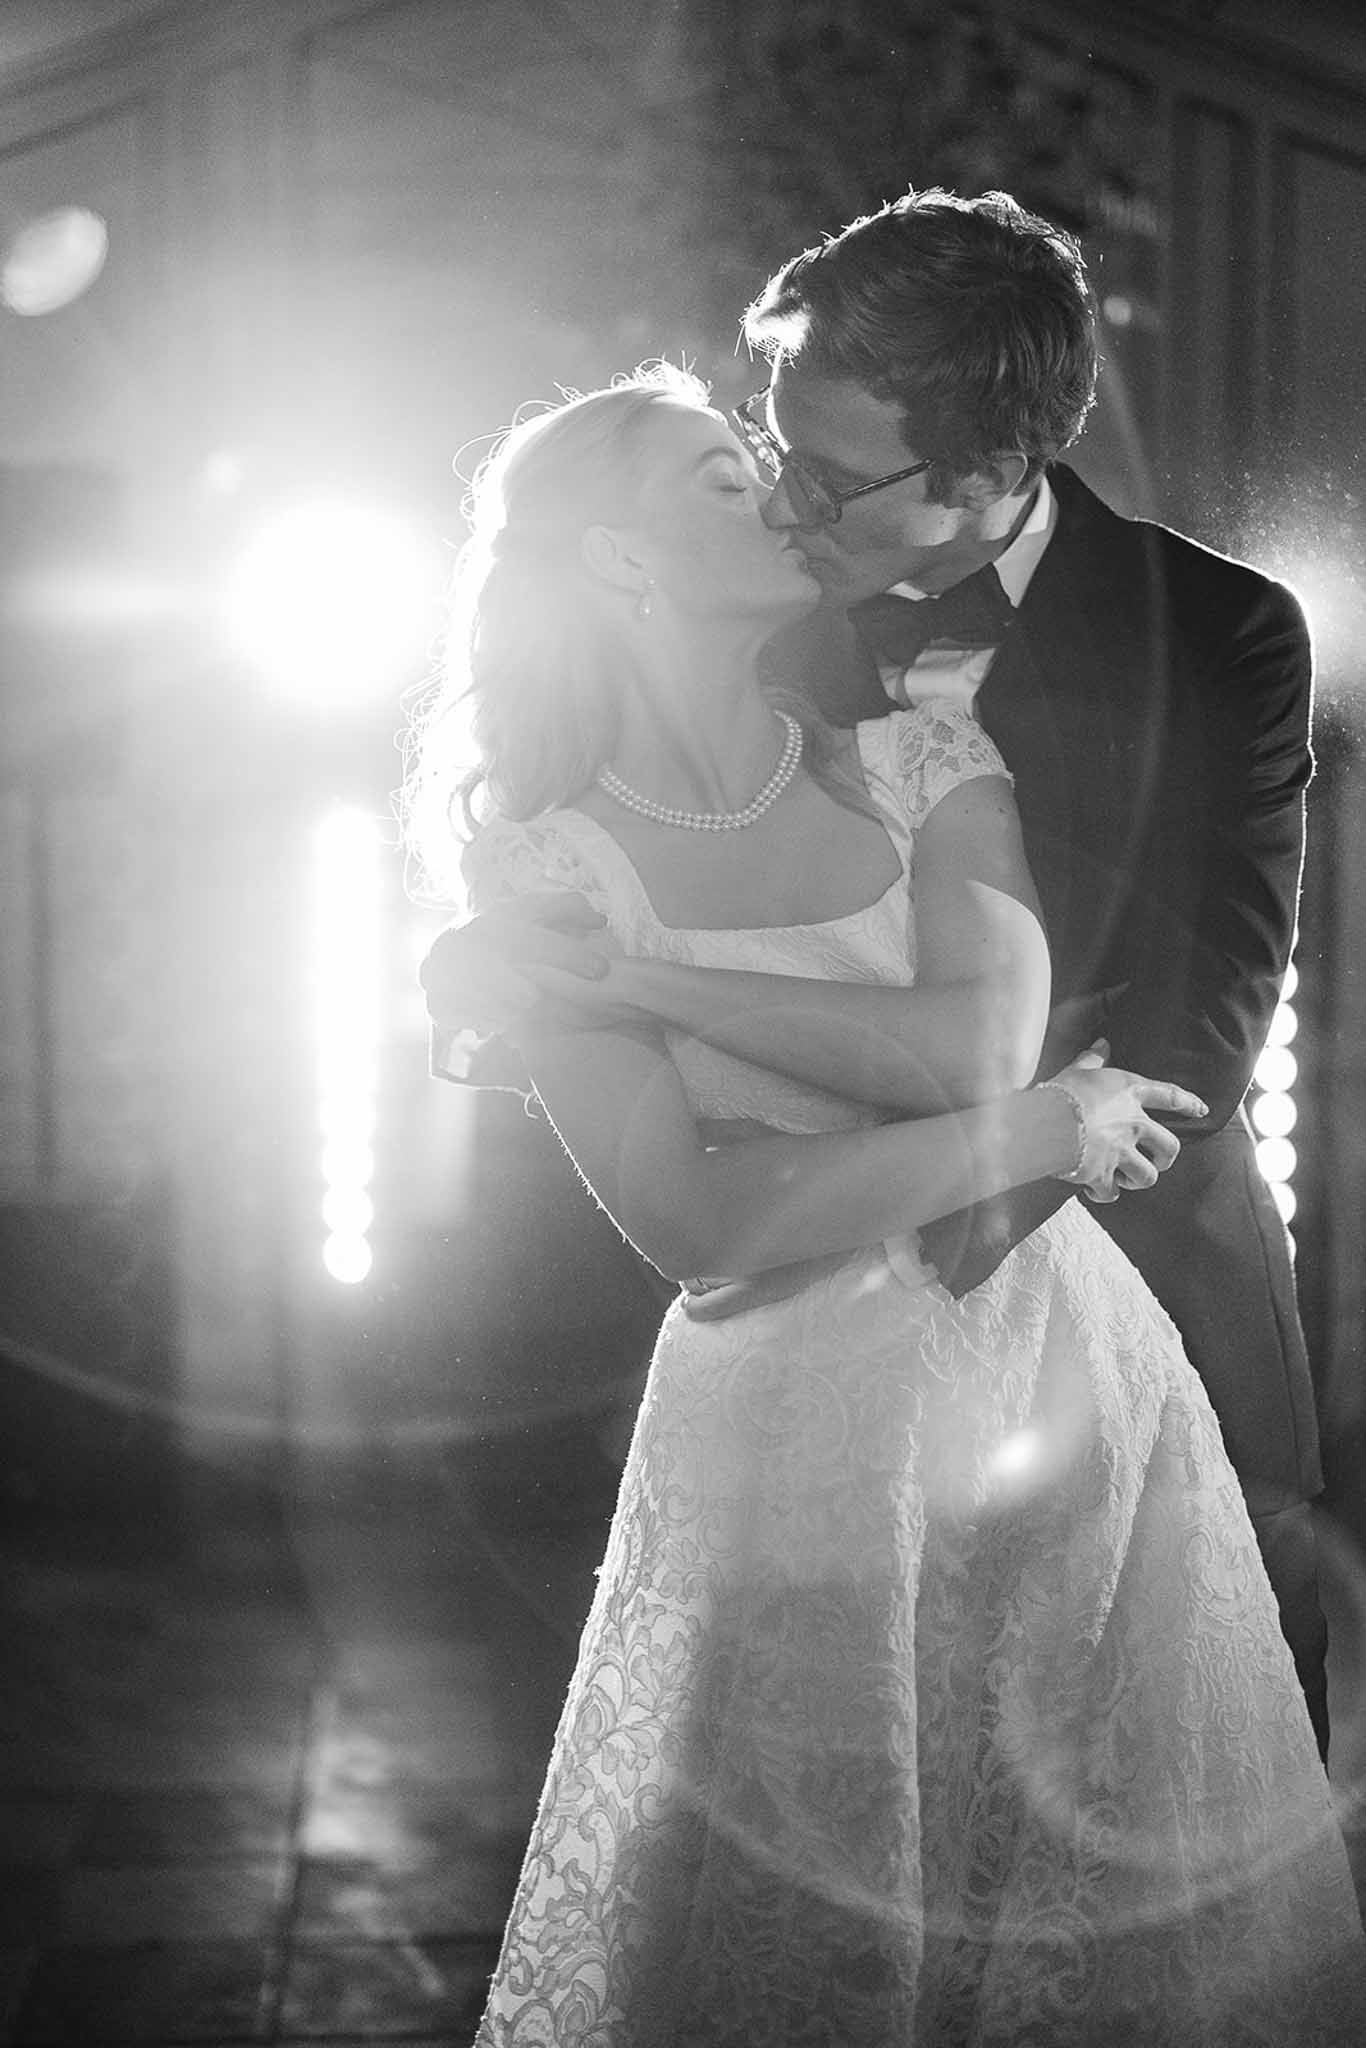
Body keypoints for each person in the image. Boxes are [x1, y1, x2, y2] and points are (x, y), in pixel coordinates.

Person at [404, 363, 1366, 2044]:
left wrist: (641, 986)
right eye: (726, 480)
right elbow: (695, 1226)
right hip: (790, 1426)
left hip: (1058, 1367)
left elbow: (966, 1049)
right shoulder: (540, 860)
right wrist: (1036, 1128)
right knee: (819, 1910)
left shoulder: (916, 750)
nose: (781, 497)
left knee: (1106, 1912)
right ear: (617, 562)